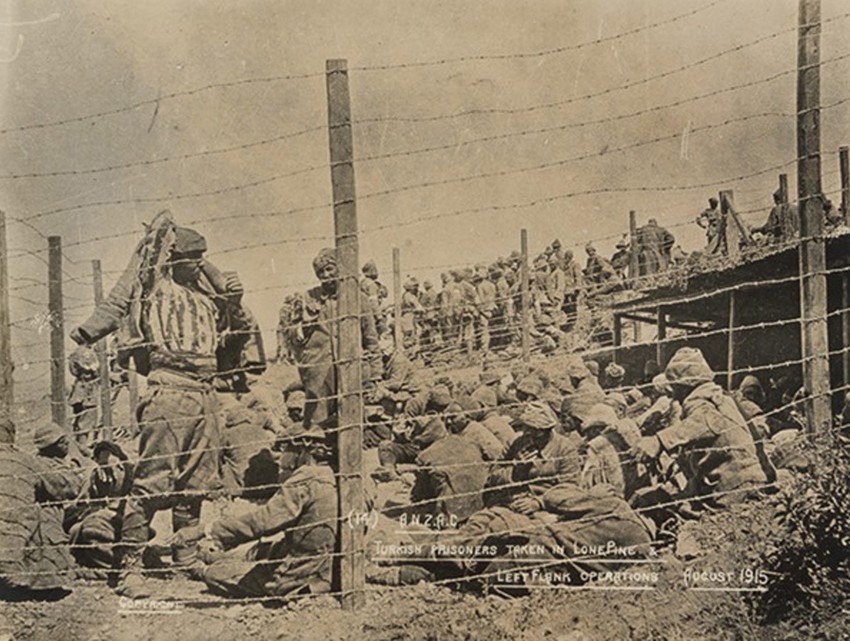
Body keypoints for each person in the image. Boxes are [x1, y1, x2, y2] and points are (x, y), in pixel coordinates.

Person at [70, 212, 265, 597]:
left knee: (196, 483)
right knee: (152, 482)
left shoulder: (209, 301)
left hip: (206, 393)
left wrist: (236, 304)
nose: (199, 264)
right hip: (168, 391)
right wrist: (85, 336)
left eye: (203, 257)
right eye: (192, 257)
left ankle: (185, 556)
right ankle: (129, 569)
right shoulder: (156, 288)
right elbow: (123, 293)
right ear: (174, 259)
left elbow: (234, 343)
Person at [172, 425, 338, 601]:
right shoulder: (339, 474)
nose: (281, 456)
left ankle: (198, 567)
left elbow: (262, 522)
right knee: (258, 551)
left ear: (301, 447)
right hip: (325, 565)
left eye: (284, 448)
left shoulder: (307, 477)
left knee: (216, 574)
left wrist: (205, 530)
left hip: (297, 574)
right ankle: (211, 555)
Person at [633, 347, 767, 509]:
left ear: (683, 385)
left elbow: (704, 421)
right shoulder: (721, 397)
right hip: (749, 479)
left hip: (734, 487)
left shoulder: (699, 400)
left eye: (674, 389)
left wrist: (659, 441)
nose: (673, 395)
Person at [283, 248, 380, 431]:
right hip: (319, 369)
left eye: (329, 269)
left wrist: (375, 373)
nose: (325, 275)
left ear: (340, 268)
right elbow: (293, 337)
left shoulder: (358, 298)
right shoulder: (308, 298)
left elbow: (371, 338)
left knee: (351, 419)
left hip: (351, 367)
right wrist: (304, 325)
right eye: (320, 272)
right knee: (317, 421)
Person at [486, 401, 582, 510]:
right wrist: (515, 470)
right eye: (526, 429)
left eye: (535, 433)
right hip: (509, 501)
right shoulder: (516, 442)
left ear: (547, 431)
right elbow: (492, 477)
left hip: (544, 508)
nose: (529, 437)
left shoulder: (565, 449)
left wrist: (540, 502)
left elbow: (570, 488)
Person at [64, 441, 135, 572]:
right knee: (75, 531)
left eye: (112, 464)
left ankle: (116, 565)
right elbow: (83, 501)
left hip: (127, 520)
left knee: (91, 528)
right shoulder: (95, 476)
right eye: (102, 463)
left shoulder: (129, 473)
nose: (109, 469)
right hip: (101, 517)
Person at [361, 260, 389, 335]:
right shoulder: (371, 284)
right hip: (371, 314)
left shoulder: (363, 282)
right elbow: (373, 302)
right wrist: (379, 317)